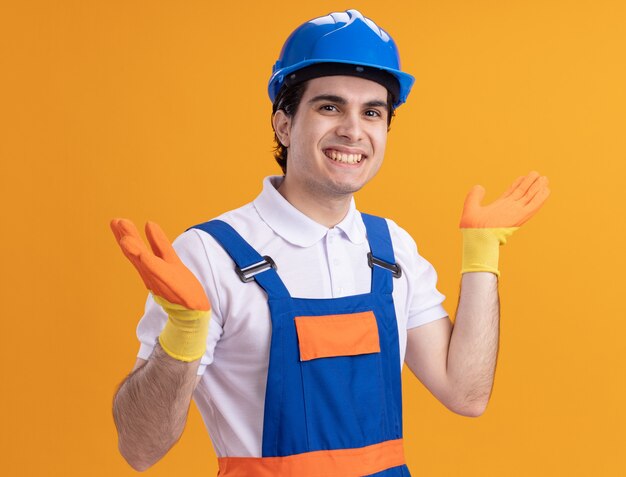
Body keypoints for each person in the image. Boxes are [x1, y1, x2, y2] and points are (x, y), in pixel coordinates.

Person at [110, 9, 550, 476]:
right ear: (283, 124)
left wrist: (482, 255)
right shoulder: (209, 254)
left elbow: (466, 394)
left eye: (372, 113)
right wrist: (181, 339)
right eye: (330, 106)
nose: (353, 130)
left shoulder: (392, 248)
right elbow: (140, 448)